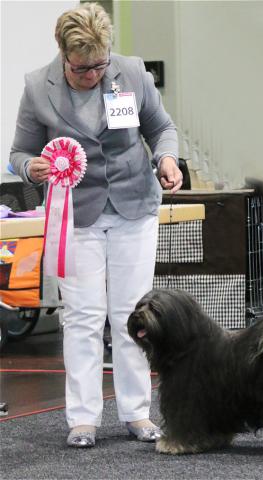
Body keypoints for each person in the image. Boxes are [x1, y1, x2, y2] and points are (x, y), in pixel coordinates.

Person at [10, 2, 182, 448]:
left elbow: (160, 127)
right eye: (82, 68)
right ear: (64, 55)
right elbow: (19, 152)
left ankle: (136, 413)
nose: (93, 75)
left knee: (132, 315)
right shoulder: (37, 87)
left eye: (99, 65)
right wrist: (34, 169)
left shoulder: (132, 73)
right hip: (77, 217)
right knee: (83, 318)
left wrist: (165, 158)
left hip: (133, 210)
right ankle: (82, 419)